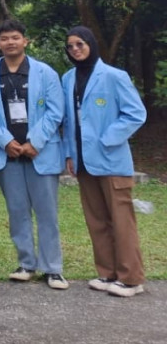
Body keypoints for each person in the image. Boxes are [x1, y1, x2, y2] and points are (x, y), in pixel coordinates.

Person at [61, 26, 147, 298]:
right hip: (83, 162)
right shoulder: (67, 79)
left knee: (121, 221)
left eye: (80, 44)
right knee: (96, 220)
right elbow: (68, 120)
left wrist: (107, 137)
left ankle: (131, 279)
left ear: (91, 44)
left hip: (111, 160)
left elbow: (135, 114)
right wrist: (69, 154)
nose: (75, 49)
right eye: (71, 46)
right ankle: (107, 272)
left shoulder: (113, 76)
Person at [0, 19, 67, 290]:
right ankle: (26, 263)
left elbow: (56, 110)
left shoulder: (45, 73)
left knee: (47, 212)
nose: (10, 42)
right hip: (8, 154)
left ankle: (52, 269)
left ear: (25, 41)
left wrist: (35, 141)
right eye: (5, 38)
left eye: (15, 37)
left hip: (39, 152)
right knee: (17, 211)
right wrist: (5, 140)